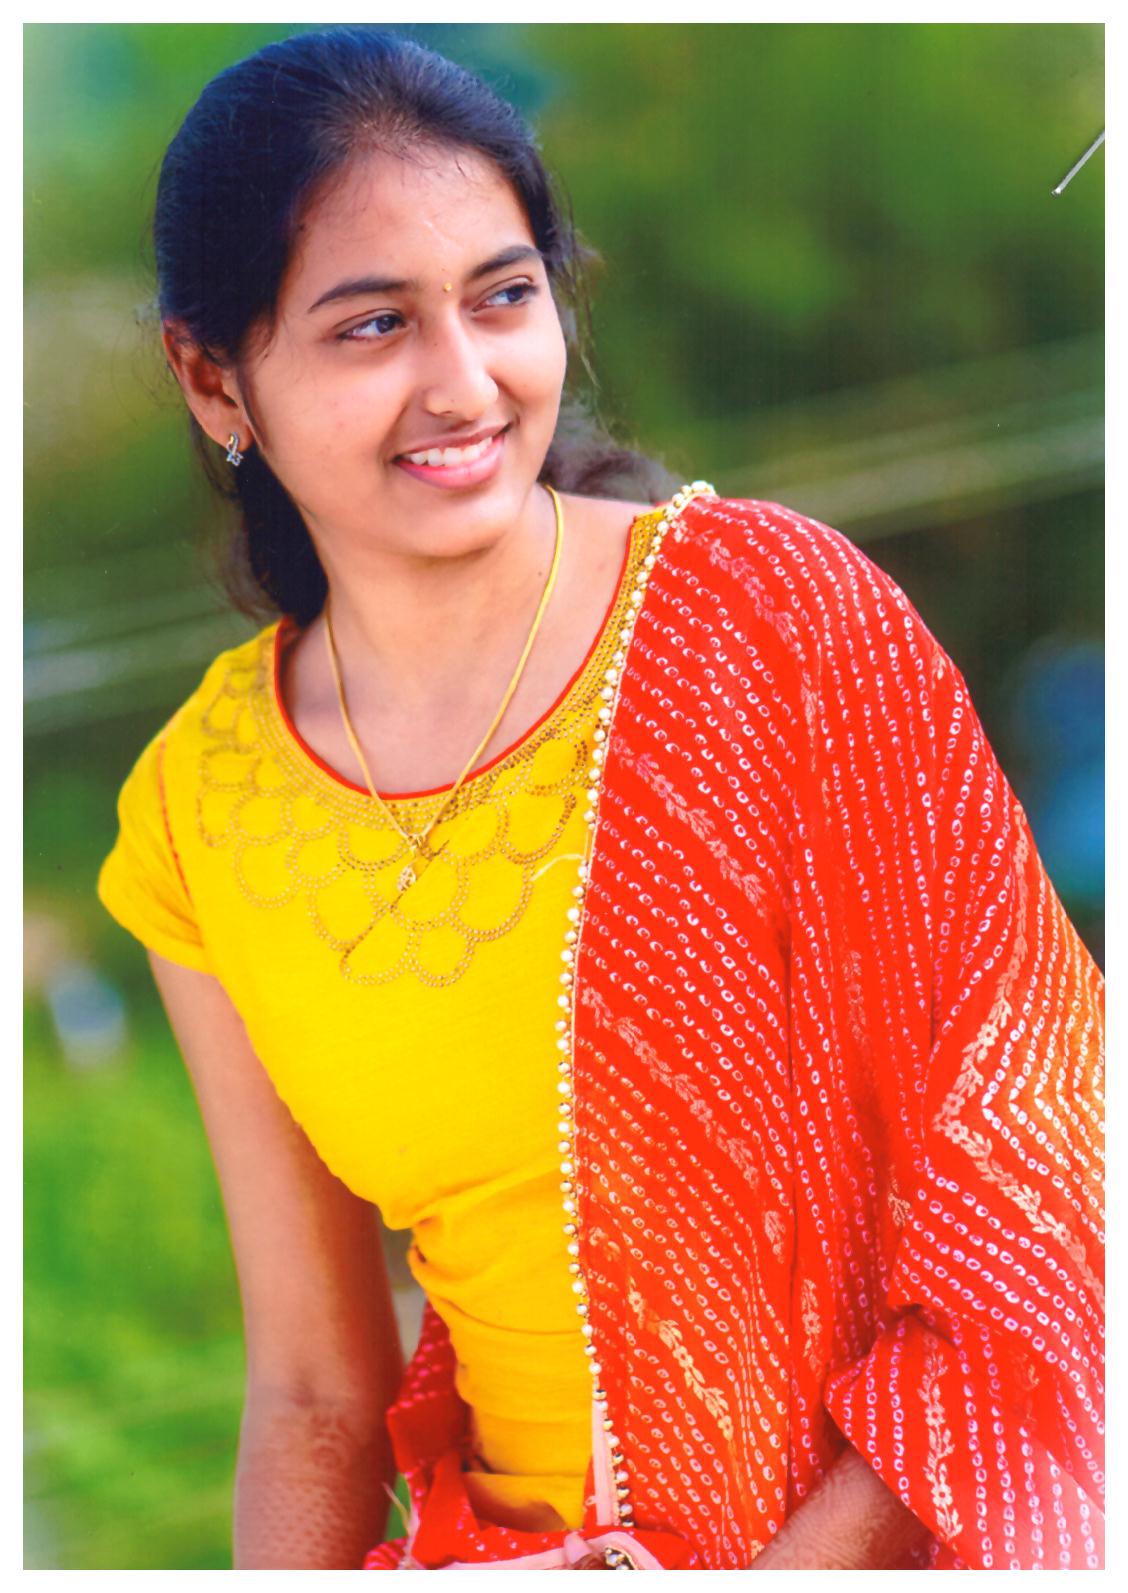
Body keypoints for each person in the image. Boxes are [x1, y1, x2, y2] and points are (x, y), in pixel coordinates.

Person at [97, 26, 1104, 1573]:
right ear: (212, 377)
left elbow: (1043, 1177)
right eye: (375, 325)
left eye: (504, 297)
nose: (464, 382)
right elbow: (311, 1393)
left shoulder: (774, 619)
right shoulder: (198, 807)